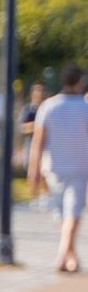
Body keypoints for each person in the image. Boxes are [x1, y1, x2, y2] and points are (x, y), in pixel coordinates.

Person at [29, 64, 88, 273]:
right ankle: (66, 256)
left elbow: (38, 141)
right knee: (71, 214)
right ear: (79, 81)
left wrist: (33, 170)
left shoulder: (48, 106)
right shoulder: (85, 107)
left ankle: (66, 257)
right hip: (79, 168)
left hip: (53, 168)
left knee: (64, 213)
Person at [20, 80, 47, 178]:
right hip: (31, 146)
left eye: (42, 91)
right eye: (38, 90)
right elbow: (23, 128)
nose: (40, 93)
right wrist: (39, 127)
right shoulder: (28, 109)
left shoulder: (48, 107)